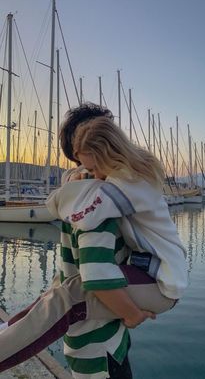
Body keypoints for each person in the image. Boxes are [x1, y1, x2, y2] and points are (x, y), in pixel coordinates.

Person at [0, 104, 188, 378]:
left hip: (161, 283)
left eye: (93, 168)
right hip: (145, 275)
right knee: (58, 294)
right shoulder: (122, 175)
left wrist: (70, 189)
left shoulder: (132, 183)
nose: (93, 176)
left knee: (69, 297)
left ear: (108, 154)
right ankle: (7, 332)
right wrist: (78, 180)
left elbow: (83, 218)